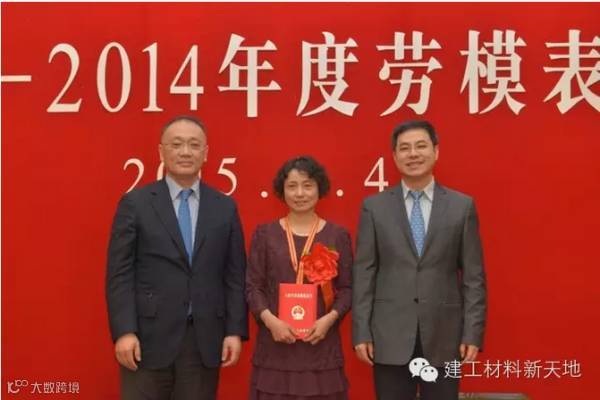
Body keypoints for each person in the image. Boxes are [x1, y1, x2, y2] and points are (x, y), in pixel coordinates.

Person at [106, 115, 248, 400]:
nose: (185, 152)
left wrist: (234, 330)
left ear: (205, 153)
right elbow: (120, 274)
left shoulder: (224, 207)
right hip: (146, 340)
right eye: (177, 144)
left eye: (194, 145)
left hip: (203, 340)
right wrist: (124, 331)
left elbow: (234, 275)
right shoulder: (136, 203)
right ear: (161, 151)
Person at [352, 120, 487, 400]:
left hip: (444, 335)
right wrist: (361, 331)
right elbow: (364, 273)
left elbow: (474, 277)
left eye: (421, 146)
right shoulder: (374, 207)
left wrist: (472, 333)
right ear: (395, 156)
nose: (413, 154)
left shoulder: (461, 206)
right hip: (389, 335)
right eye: (405, 148)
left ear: (436, 151)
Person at [246, 156, 352, 400]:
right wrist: (271, 321)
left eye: (307, 185)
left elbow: (347, 288)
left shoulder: (337, 235)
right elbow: (253, 286)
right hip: (276, 347)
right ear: (282, 191)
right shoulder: (265, 234)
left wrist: (329, 320)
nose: (300, 193)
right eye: (292, 186)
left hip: (321, 347)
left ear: (319, 188)